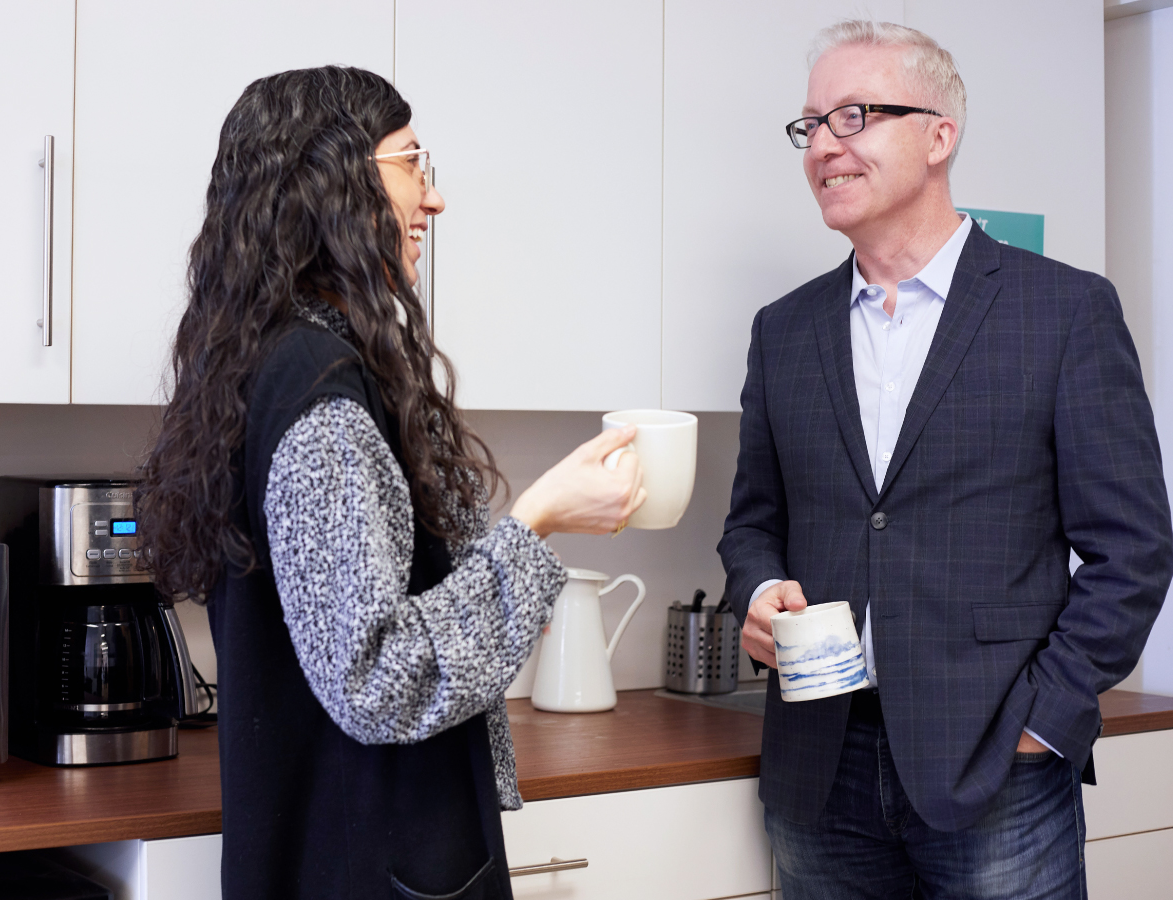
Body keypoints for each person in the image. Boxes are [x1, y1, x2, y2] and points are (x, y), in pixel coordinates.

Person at [138, 66, 645, 900]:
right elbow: (379, 677)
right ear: (335, 183)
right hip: (375, 864)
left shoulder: (265, 363)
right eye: (414, 163)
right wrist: (540, 520)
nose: (433, 199)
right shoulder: (320, 390)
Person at [718, 20, 1173, 899]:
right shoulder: (784, 330)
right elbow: (753, 522)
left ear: (938, 136)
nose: (821, 146)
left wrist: (1051, 716)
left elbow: (1133, 549)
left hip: (997, 764)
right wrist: (758, 589)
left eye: (852, 116)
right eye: (810, 124)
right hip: (819, 765)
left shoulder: (1065, 311)